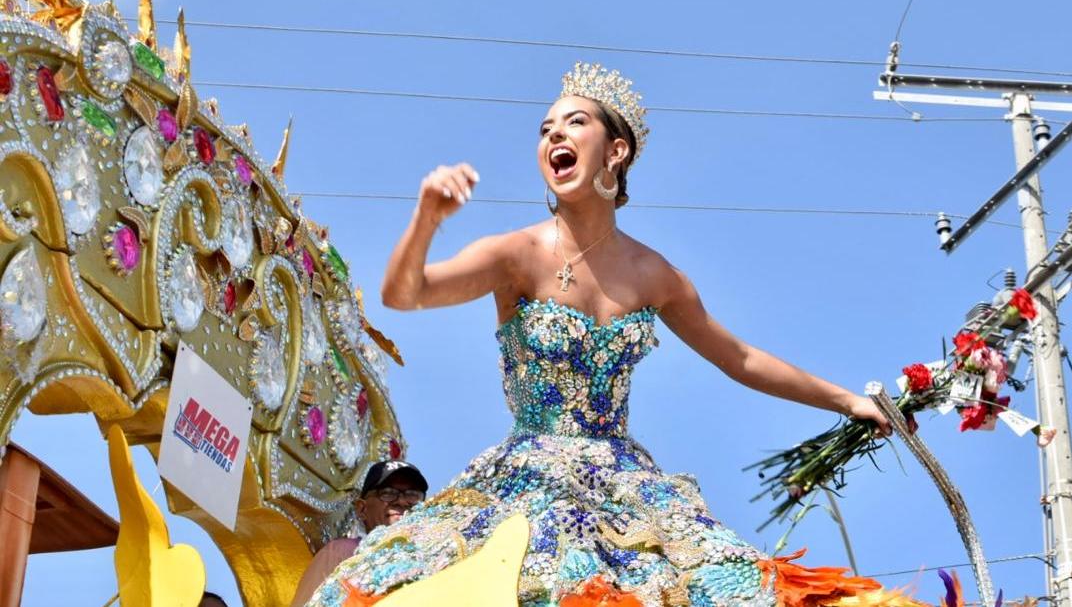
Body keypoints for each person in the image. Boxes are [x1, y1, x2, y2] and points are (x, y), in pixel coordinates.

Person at [306, 63, 893, 606]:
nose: (554, 136)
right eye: (545, 129)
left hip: (626, 489)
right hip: (524, 479)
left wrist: (848, 401)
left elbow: (737, 357)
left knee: (724, 585)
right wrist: (426, 219)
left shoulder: (654, 275)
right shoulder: (517, 254)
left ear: (616, 150)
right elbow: (404, 294)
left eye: (575, 122)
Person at [290, 460, 429, 607]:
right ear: (361, 509)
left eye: (412, 495)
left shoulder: (435, 554)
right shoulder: (342, 553)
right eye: (388, 493)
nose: (401, 501)